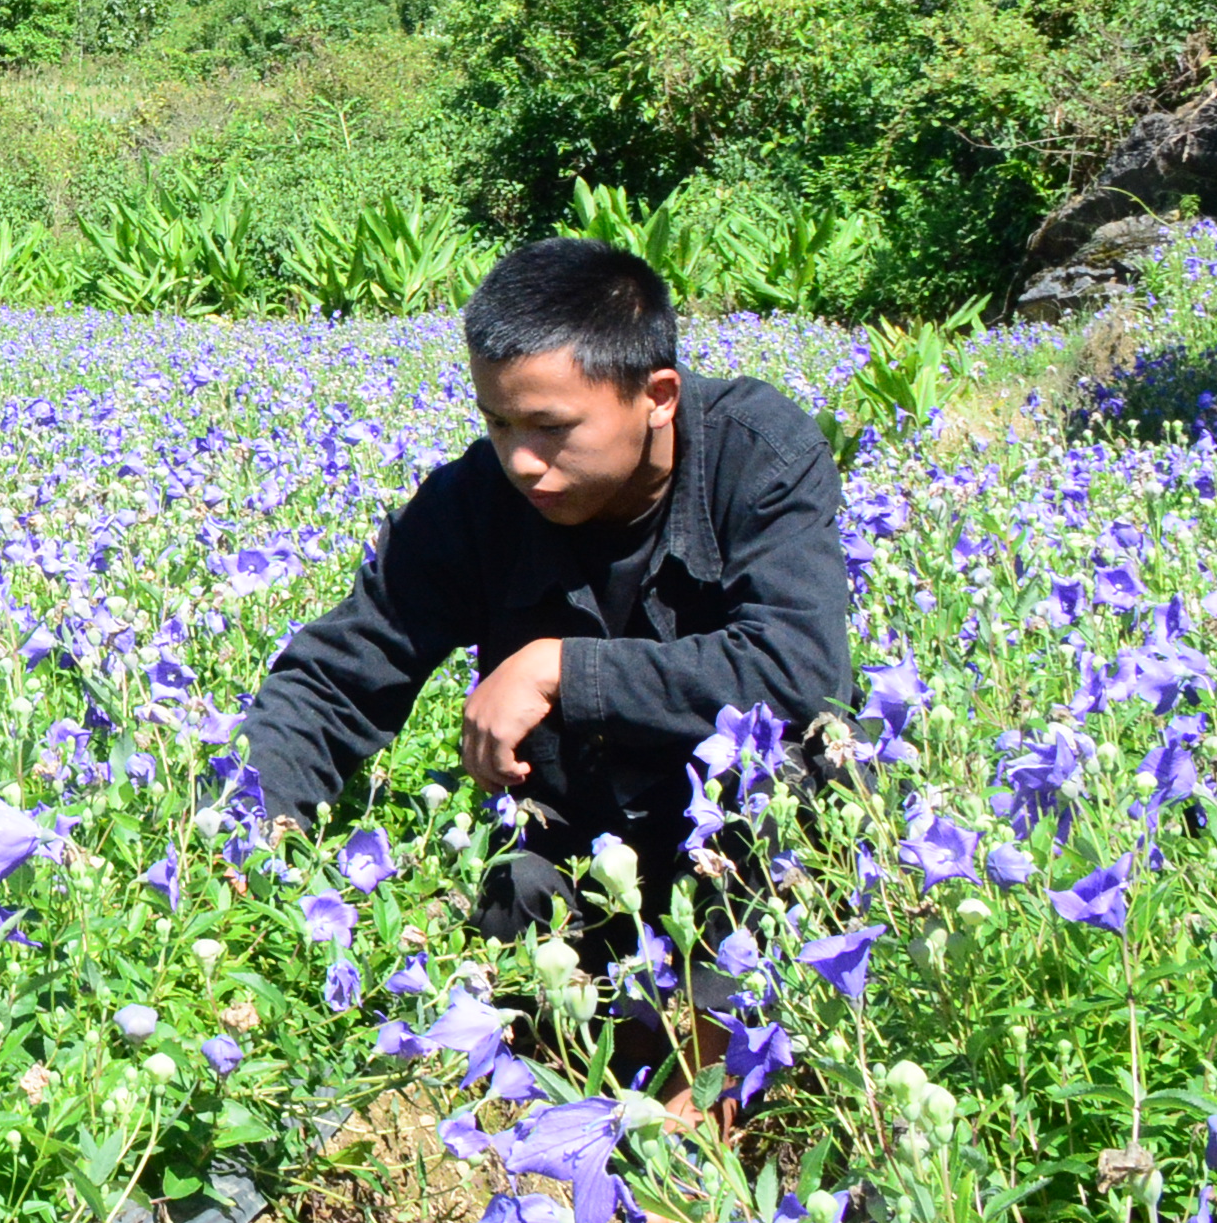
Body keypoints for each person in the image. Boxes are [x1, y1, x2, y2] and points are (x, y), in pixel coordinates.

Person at [231, 235, 846, 951]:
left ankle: (715, 1015)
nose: (520, 461)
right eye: (498, 422)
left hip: (733, 851)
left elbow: (801, 672)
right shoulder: (474, 501)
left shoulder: (757, 457)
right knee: (509, 892)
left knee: (783, 787)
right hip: (568, 842)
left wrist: (562, 669)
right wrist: (239, 828)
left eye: (551, 428)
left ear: (658, 397)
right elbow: (337, 679)